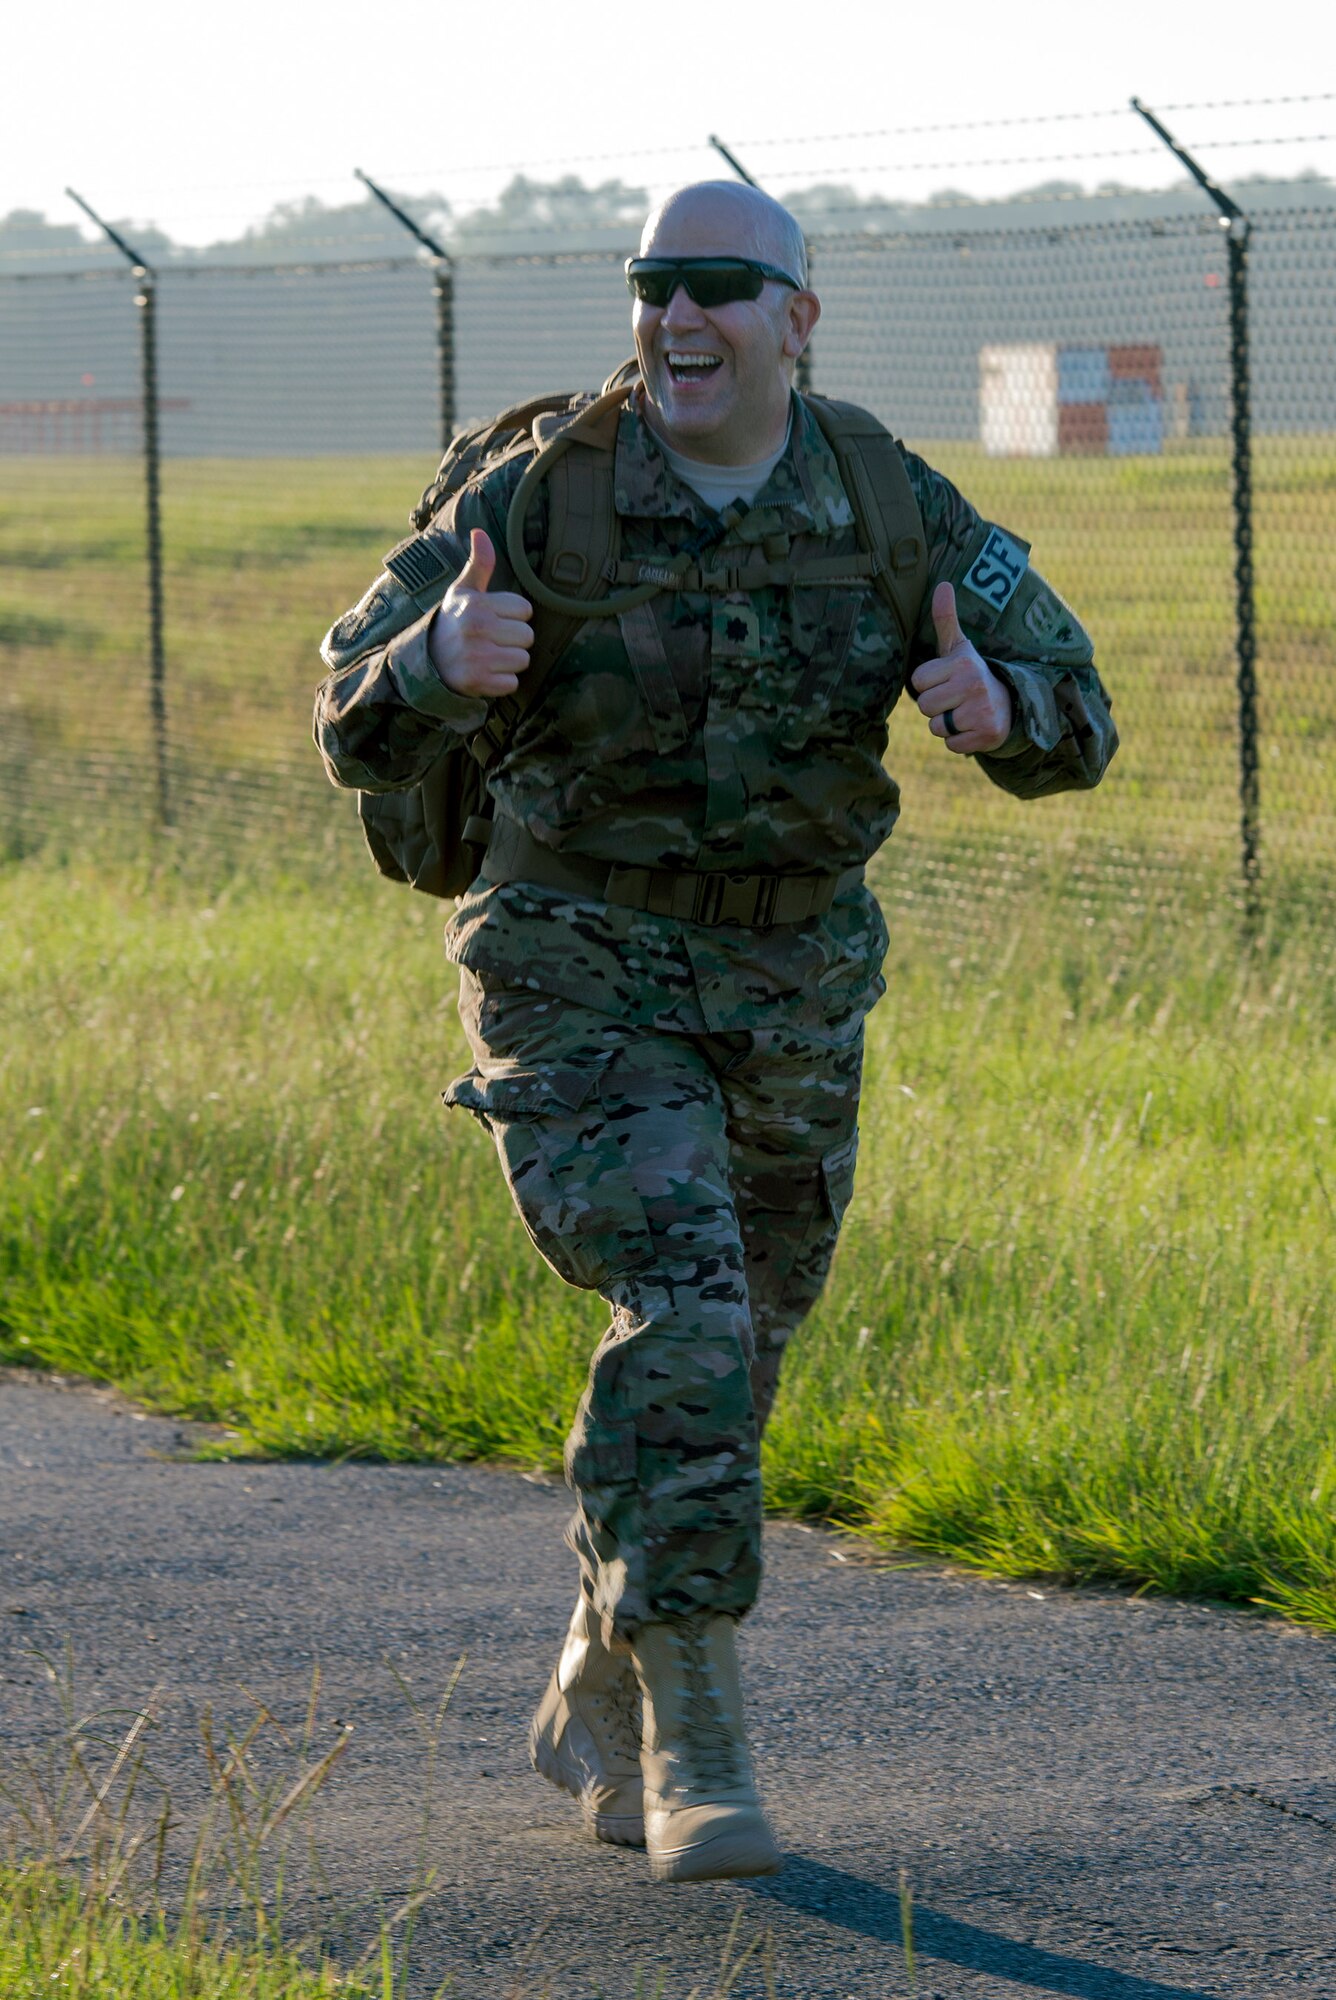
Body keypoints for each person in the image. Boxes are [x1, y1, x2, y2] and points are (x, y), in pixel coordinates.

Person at [314, 180, 1116, 1884]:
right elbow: (348, 714)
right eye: (656, 286)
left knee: (736, 1358)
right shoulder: (536, 493)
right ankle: (703, 1748)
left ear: (797, 319)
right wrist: (440, 661)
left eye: (723, 289)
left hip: (795, 988)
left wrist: (1003, 709)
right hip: (570, 951)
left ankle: (593, 1677)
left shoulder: (887, 496)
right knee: (678, 1304)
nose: (681, 319)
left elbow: (1080, 709)